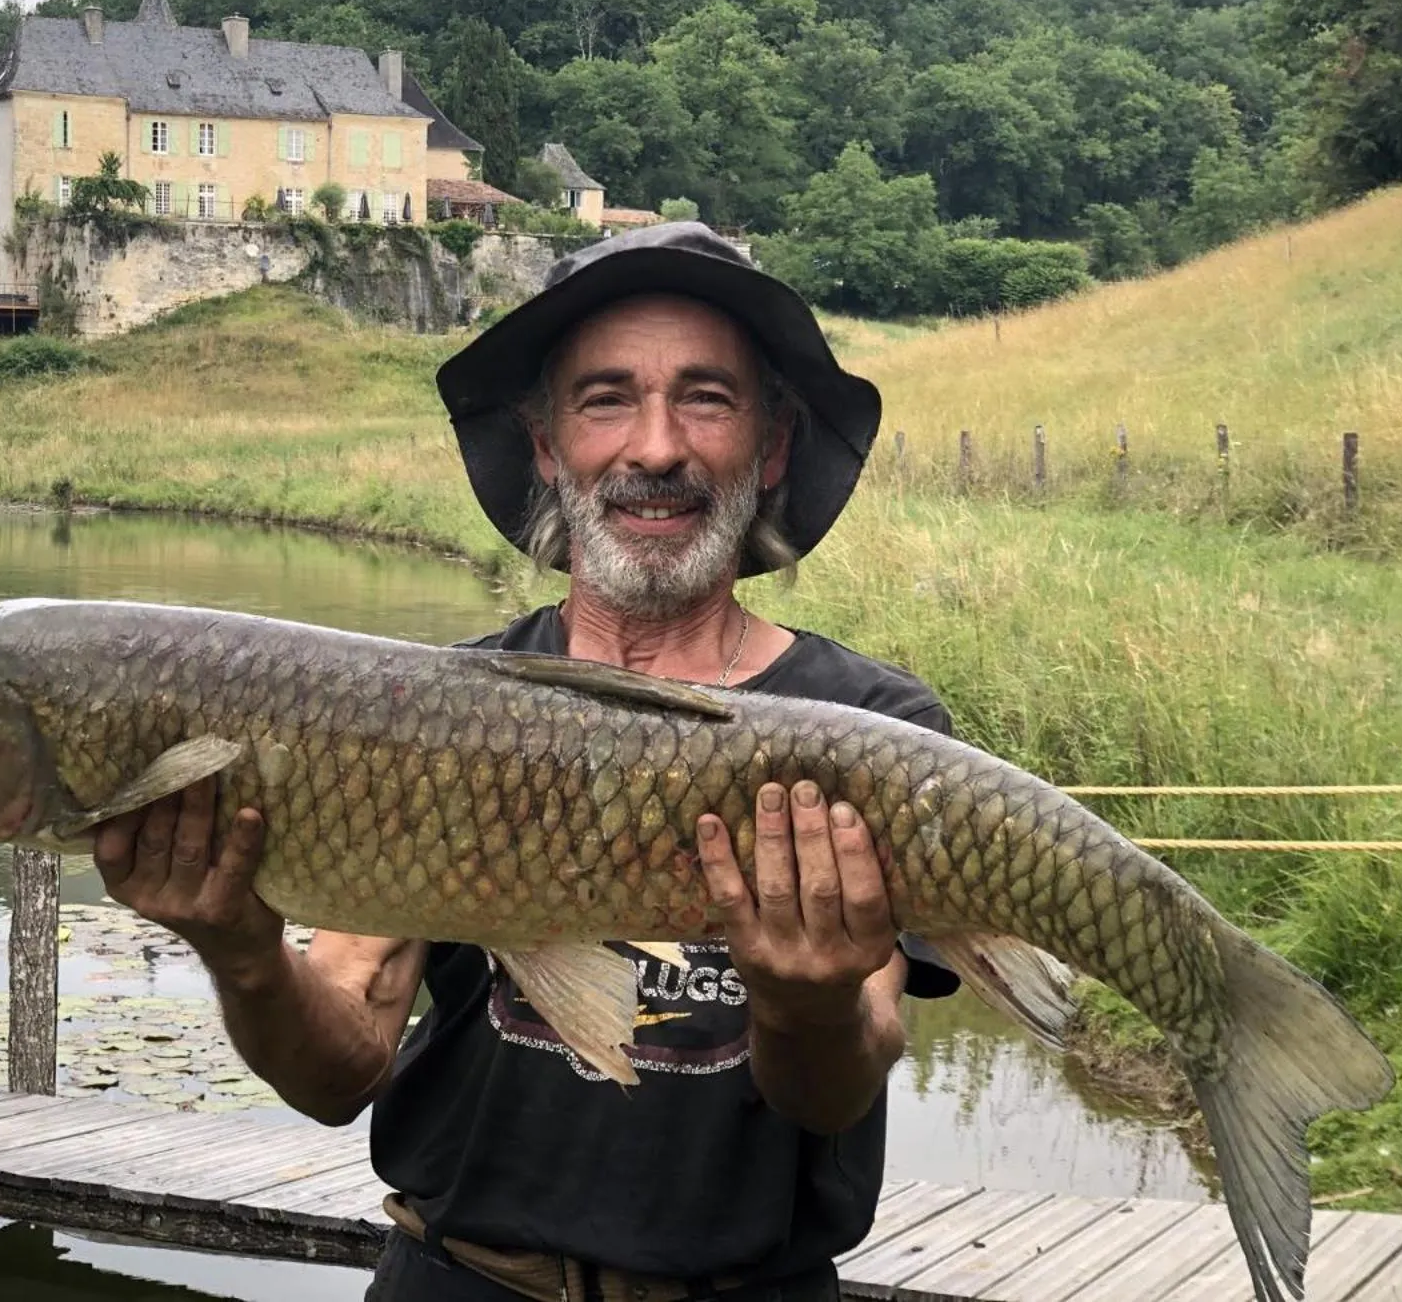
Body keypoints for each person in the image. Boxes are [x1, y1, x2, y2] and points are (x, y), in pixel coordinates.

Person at [96, 222, 959, 1301]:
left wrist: (811, 1005)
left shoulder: (867, 728)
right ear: (546, 445)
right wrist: (239, 948)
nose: (653, 449)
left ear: (772, 446)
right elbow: (337, 1071)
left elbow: (836, 1088)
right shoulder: (413, 714)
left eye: (705, 398)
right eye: (604, 399)